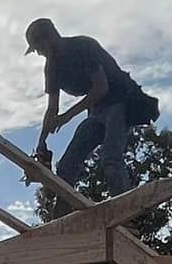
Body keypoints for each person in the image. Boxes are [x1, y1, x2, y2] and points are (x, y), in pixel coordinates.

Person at [24, 17, 160, 198]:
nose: (39, 53)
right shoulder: (52, 68)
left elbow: (101, 88)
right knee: (66, 166)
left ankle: (125, 207)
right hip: (96, 110)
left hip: (120, 101)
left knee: (110, 157)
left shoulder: (81, 47)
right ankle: (63, 214)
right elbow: (52, 109)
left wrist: (66, 117)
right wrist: (41, 143)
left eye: (38, 47)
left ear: (49, 37)